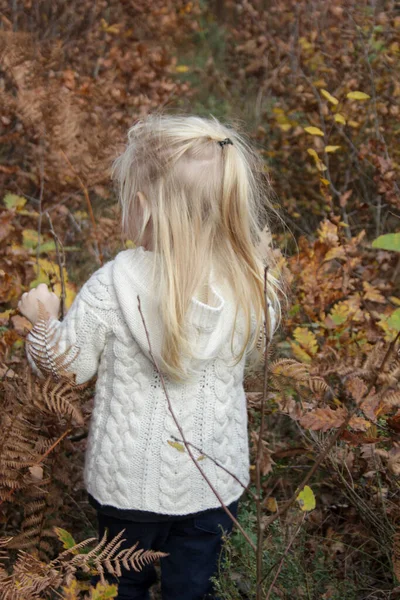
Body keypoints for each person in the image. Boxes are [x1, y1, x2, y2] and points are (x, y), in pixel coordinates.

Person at [18, 114, 281, 600]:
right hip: (213, 487)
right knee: (192, 589)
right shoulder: (249, 284)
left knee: (122, 585)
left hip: (125, 488)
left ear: (142, 207)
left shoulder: (111, 287)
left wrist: (42, 320)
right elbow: (255, 352)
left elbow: (65, 369)